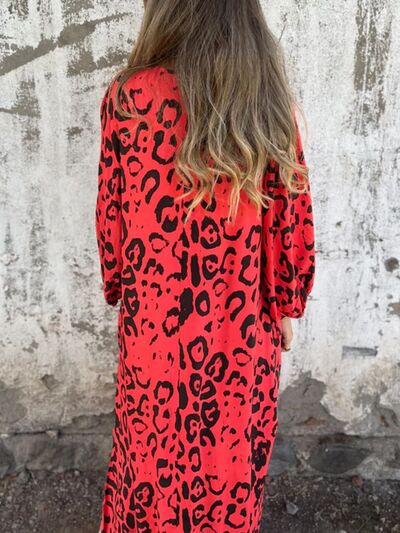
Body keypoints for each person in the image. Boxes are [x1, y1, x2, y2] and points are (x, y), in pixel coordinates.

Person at [95, 1, 316, 531]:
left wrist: (121, 284)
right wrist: (286, 304)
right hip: (242, 337)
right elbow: (290, 226)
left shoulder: (128, 98)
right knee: (228, 469)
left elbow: (111, 221)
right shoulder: (267, 100)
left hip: (154, 336)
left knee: (148, 464)